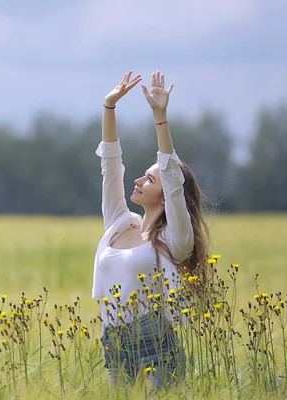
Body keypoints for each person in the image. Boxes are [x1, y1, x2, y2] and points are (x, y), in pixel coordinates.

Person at [91, 70, 210, 392]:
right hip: (112, 338)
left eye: (149, 179)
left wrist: (160, 118)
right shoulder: (119, 222)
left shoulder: (175, 237)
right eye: (143, 175)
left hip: (154, 337)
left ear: (165, 194)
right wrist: (109, 107)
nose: (139, 181)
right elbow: (111, 166)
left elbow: (173, 179)